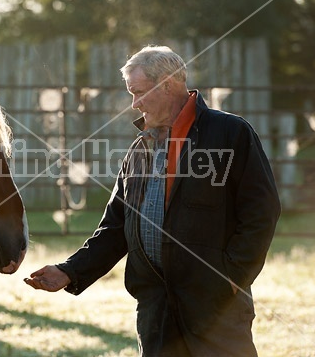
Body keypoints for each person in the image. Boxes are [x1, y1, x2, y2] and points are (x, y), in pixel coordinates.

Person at [24, 45, 281, 356]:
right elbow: (116, 227)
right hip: (156, 310)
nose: (134, 104)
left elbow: (261, 212)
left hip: (215, 305)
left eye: (139, 92)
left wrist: (231, 278)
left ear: (168, 85)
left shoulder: (230, 133)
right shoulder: (140, 149)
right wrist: (69, 271)